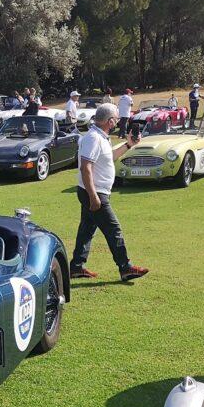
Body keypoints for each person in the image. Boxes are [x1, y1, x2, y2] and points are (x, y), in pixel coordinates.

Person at [70, 103, 149, 282]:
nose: (118, 122)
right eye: (116, 119)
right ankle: (125, 267)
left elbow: (109, 158)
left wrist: (129, 145)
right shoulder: (93, 138)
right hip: (94, 192)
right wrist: (93, 196)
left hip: (94, 191)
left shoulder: (100, 137)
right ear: (110, 121)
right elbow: (85, 167)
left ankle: (76, 267)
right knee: (113, 229)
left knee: (87, 229)